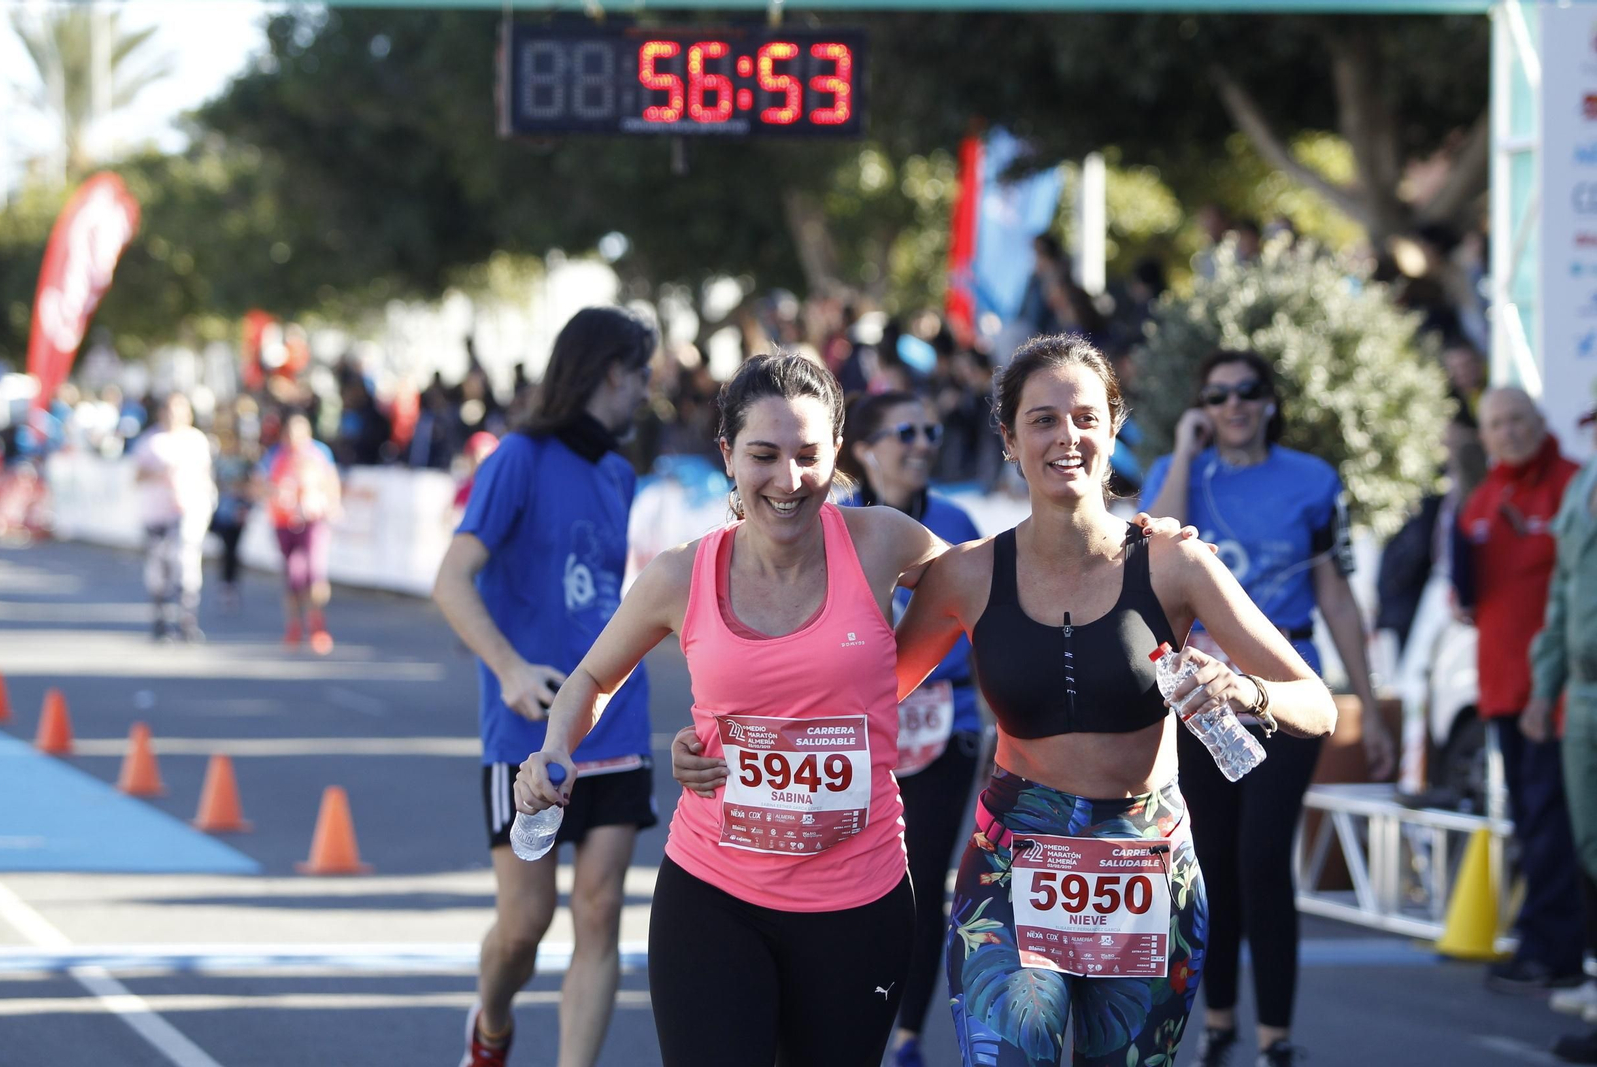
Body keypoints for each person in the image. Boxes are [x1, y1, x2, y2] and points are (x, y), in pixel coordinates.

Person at [890, 334, 1338, 1067]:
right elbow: (868, 699)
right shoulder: (968, 575)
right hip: (1015, 857)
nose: (1067, 436)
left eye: (1085, 417)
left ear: (1113, 429)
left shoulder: (1176, 563)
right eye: (1042, 419)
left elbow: (1318, 703)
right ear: (1008, 438)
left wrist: (1242, 687)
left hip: (1146, 857)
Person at [516, 351, 962, 1067]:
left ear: (837, 454)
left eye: (809, 456)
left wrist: (1139, 548)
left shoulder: (879, 541)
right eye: (763, 454)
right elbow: (592, 677)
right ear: (727, 454)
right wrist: (554, 752)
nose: (788, 481)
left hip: (860, 901)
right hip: (715, 897)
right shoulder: (680, 573)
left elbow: (992, 582)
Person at [1139, 348, 1392, 1066]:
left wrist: (1368, 706)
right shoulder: (1176, 473)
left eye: (1247, 392)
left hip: (1280, 687)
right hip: (1199, 697)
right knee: (1211, 860)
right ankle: (1220, 1020)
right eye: (1216, 396)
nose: (1234, 406)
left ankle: (1276, 1037)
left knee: (1261, 859)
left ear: (1270, 402)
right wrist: (1185, 453)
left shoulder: (1312, 481)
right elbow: (1160, 552)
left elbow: (1338, 595)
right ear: (1201, 408)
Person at [432, 306, 659, 1067]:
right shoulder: (517, 458)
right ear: (612, 371)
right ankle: (490, 1024)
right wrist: (510, 669)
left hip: (616, 720)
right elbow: (452, 578)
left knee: (599, 913)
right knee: (524, 925)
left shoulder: (620, 472)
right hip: (528, 731)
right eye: (644, 376)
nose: (648, 394)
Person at [838, 390, 984, 1067]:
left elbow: (989, 630)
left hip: (945, 722)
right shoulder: (833, 525)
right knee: (847, 881)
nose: (924, 441)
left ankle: (907, 1036)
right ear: (865, 449)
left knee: (921, 882)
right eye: (907, 432)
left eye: (931, 429)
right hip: (847, 732)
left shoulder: (957, 520)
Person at [1452, 386, 1585, 992]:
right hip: (1503, 687)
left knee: (1559, 820)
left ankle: (1553, 948)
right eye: (1497, 424)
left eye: (1516, 420)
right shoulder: (1482, 498)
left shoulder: (1571, 485)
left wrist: (1546, 690)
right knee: (1534, 818)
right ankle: (1546, 942)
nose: (1508, 432)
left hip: (1559, 692)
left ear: (1541, 420)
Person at [1531, 396, 1597, 1063]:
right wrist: (1544, 685)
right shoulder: (1583, 486)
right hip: (1582, 690)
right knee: (1589, 848)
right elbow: (1561, 592)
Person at [132, 392, 215, 642]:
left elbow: (205, 475)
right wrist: (160, 474)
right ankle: (160, 619)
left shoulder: (197, 440)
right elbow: (136, 476)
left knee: (187, 564)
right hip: (157, 515)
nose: (175, 414)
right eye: (170, 408)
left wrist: (206, 503)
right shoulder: (151, 441)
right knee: (160, 568)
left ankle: (187, 621)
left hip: (188, 512)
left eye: (180, 408)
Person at [262, 412, 341, 654]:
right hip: (284, 522)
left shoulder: (319, 453)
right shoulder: (275, 455)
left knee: (314, 574)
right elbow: (260, 483)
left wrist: (332, 504)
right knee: (293, 576)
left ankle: (317, 624)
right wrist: (277, 492)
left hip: (313, 520)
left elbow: (331, 481)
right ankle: (294, 627)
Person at [209, 411, 258, 612]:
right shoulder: (219, 461)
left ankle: (231, 585)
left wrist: (241, 494)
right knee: (226, 548)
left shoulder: (246, 461)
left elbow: (251, 486)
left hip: (238, 512)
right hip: (222, 511)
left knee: (233, 550)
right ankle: (226, 584)